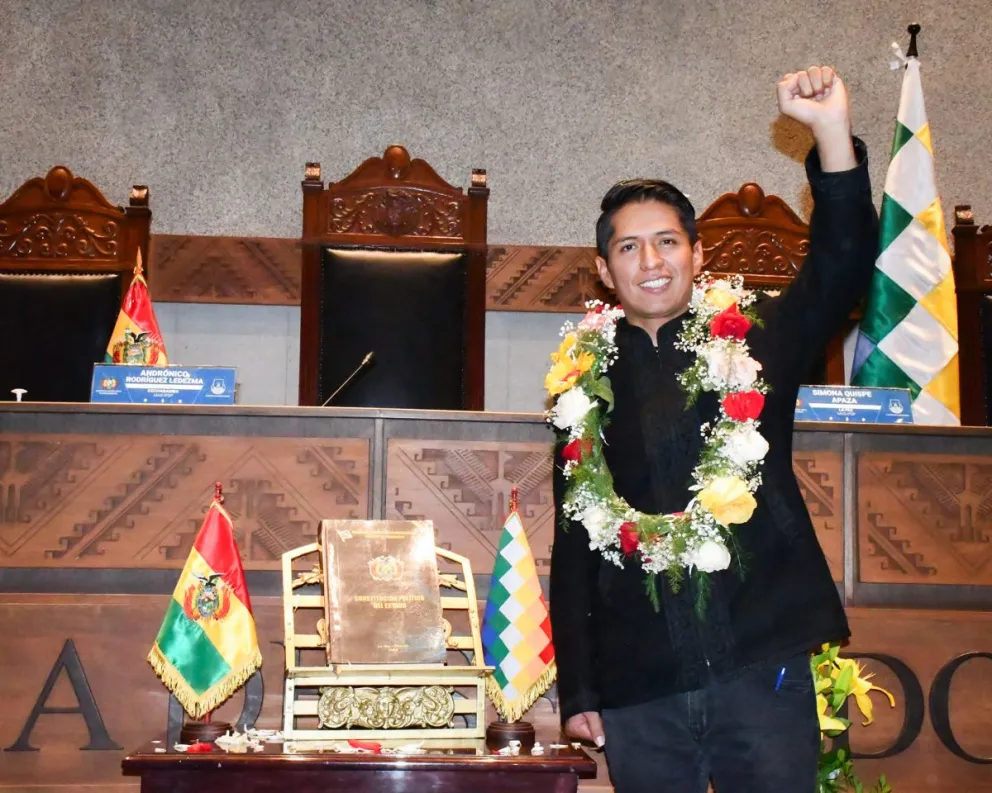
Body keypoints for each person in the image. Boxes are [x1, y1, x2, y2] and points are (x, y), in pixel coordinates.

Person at [549, 66, 879, 793]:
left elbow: (841, 264)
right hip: (640, 689)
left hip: (761, 666)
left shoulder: (758, 343)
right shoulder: (580, 391)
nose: (651, 261)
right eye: (629, 248)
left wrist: (830, 131)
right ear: (604, 270)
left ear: (697, 256)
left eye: (667, 241)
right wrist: (579, 689)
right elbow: (573, 549)